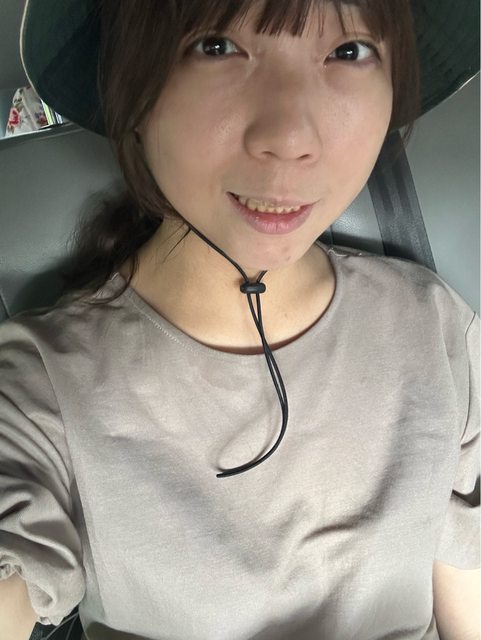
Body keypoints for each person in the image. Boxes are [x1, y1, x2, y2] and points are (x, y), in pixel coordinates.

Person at [0, 0, 479, 639]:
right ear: (132, 88)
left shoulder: (436, 327)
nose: (290, 137)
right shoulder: (41, 389)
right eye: (216, 47)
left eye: (349, 51)